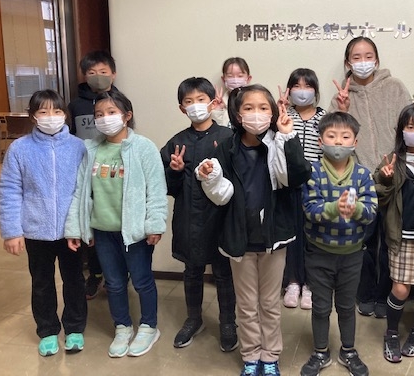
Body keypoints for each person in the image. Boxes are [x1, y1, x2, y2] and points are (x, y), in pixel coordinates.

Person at [197, 84, 312, 376]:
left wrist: (288, 137)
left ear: (273, 112)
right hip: (240, 238)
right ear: (238, 114)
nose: (256, 114)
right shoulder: (227, 147)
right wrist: (209, 176)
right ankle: (251, 356)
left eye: (263, 108)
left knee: (270, 303)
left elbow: (297, 176)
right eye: (249, 108)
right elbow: (221, 194)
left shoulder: (279, 141)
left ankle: (270, 356)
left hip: (274, 237)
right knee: (247, 304)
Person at [65, 89, 168, 358]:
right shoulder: (90, 149)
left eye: (111, 112)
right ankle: (122, 326)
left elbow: (156, 189)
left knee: (142, 281)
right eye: (99, 114)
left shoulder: (143, 147)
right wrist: (77, 228)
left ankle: (149, 326)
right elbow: (80, 192)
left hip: (134, 232)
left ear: (126, 115)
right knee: (113, 283)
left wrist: (155, 224)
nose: (104, 118)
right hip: (103, 230)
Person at [0, 90, 87, 357]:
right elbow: (10, 190)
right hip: (36, 230)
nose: (51, 117)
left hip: (71, 230)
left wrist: (84, 226)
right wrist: (12, 231)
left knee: (74, 280)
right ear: (33, 116)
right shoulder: (20, 148)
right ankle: (47, 331)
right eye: (44, 111)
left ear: (65, 114)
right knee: (42, 283)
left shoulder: (78, 147)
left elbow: (85, 191)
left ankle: (74, 328)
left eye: (57, 111)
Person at [330, 36, 412, 319]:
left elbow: (409, 127)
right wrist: (342, 110)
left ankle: (384, 295)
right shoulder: (341, 96)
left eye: (368, 56)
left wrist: (397, 163)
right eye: (356, 57)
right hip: (359, 179)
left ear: (376, 60)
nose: (363, 62)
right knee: (362, 241)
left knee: (390, 240)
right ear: (347, 63)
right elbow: (333, 139)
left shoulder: (395, 87)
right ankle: (364, 293)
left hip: (393, 177)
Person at [160, 77, 237, 350]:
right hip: (188, 218)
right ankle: (194, 319)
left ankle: (228, 322)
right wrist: (175, 171)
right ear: (182, 108)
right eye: (189, 101)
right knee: (192, 270)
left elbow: (238, 181)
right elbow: (168, 187)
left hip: (220, 218)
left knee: (223, 272)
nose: (195, 106)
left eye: (201, 100)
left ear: (213, 103)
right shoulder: (177, 142)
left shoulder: (228, 138)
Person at [300, 111, 378, 376]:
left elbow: (371, 212)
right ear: (320, 141)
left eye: (345, 137)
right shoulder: (313, 172)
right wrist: (335, 207)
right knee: (321, 307)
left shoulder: (363, 175)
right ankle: (320, 352)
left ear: (355, 142)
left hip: (352, 254)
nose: (338, 142)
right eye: (331, 136)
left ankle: (348, 350)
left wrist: (355, 209)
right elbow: (310, 209)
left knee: (346, 306)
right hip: (318, 252)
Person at [374, 103, 414, 363]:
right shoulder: (392, 160)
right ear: (401, 131)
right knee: (400, 289)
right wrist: (386, 179)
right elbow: (379, 198)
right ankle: (391, 332)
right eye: (411, 127)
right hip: (401, 237)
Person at [68, 49, 119, 299]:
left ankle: (116, 275)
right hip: (84, 171)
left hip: (112, 173)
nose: (98, 76)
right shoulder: (75, 105)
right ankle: (95, 275)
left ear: (113, 74)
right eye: (92, 72)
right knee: (89, 226)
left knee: (111, 224)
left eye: (103, 71)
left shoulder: (120, 101)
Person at [278, 68, 327, 310]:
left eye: (307, 86)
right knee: (291, 237)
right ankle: (293, 282)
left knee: (313, 237)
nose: (302, 91)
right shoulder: (284, 116)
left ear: (315, 91)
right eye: (296, 86)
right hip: (288, 186)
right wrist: (278, 112)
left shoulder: (324, 117)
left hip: (316, 187)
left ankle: (310, 284)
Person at [211, 57, 253, 127]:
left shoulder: (256, 101)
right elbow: (216, 130)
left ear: (248, 79)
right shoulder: (221, 104)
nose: (235, 80)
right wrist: (217, 111)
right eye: (230, 76)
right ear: (224, 79)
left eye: (240, 76)